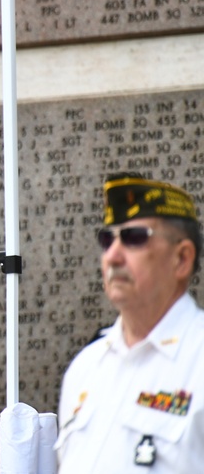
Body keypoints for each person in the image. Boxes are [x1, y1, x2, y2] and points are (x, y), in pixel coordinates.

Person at [55, 173, 204, 473]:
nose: (112, 256)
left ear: (182, 259)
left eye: (134, 238)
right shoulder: (85, 369)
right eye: (107, 239)